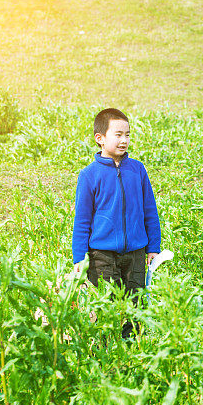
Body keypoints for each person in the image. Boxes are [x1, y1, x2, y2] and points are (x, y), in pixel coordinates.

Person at [72, 108, 161, 338]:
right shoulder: (89, 175)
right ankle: (106, 357)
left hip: (135, 253)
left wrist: (153, 247)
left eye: (128, 135)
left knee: (136, 308)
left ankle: (132, 355)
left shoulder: (138, 170)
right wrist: (79, 258)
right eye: (118, 135)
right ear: (100, 138)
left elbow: (150, 211)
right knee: (105, 310)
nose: (124, 140)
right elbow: (82, 221)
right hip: (102, 255)